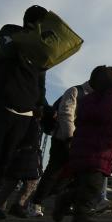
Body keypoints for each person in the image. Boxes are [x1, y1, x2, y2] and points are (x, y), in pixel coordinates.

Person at [0, 6, 50, 222]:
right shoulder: (9, 33)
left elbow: (40, 82)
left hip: (26, 113)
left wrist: (40, 106)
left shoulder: (41, 50)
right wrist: (29, 39)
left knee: (6, 160)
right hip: (2, 105)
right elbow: (6, 50)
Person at [52, 66, 112, 222]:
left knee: (89, 187)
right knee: (92, 187)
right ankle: (80, 215)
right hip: (91, 152)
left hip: (100, 153)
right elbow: (101, 115)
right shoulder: (94, 100)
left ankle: (65, 200)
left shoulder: (109, 103)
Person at [30, 77, 93, 208]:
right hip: (63, 138)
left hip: (78, 140)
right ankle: (35, 202)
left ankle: (56, 202)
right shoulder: (75, 91)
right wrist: (70, 137)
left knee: (72, 174)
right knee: (54, 171)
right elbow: (66, 114)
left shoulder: (96, 96)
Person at [0, 119, 43, 218]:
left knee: (12, 181)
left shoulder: (23, 119)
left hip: (18, 150)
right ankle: (16, 205)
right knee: (30, 181)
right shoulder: (34, 121)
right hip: (28, 151)